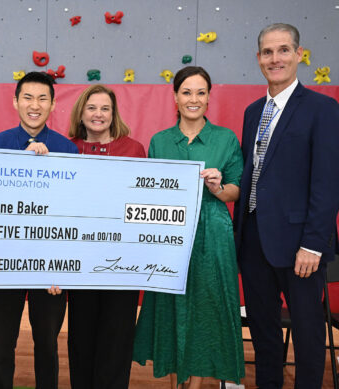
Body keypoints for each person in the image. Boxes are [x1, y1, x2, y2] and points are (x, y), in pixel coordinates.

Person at [234, 23, 339, 388]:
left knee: (309, 337)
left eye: (282, 50)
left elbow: (327, 182)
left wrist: (313, 243)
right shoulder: (252, 112)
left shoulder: (323, 109)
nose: (274, 58)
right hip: (253, 243)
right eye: (267, 52)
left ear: (299, 54)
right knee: (264, 336)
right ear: (258, 58)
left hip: (300, 248)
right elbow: (256, 173)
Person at [133, 66, 245, 388]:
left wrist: (217, 187)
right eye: (186, 92)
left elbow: (236, 189)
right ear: (175, 97)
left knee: (205, 312)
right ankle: (174, 382)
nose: (193, 99)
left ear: (209, 97)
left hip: (213, 233)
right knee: (169, 308)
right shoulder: (160, 141)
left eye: (200, 92)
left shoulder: (225, 139)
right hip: (170, 236)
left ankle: (194, 385)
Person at [0, 71, 77, 389]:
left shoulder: (67, 149)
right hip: (3, 266)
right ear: (15, 101)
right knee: (1, 348)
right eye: (27, 97)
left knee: (48, 346)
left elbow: (72, 214)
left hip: (50, 269)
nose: (34, 105)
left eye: (42, 98)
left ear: (52, 104)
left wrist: (60, 268)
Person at [67, 84, 145, 389]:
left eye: (105, 109)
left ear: (114, 115)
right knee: (81, 338)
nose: (98, 114)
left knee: (117, 339)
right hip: (81, 264)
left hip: (122, 265)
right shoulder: (67, 148)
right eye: (91, 108)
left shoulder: (134, 149)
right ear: (81, 113)